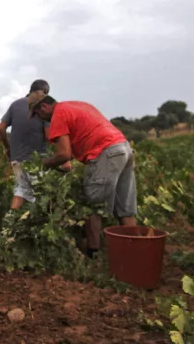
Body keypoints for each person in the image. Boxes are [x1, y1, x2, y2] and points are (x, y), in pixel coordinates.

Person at [28, 93, 137, 257]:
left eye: (37, 114)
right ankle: (134, 252)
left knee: (91, 204)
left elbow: (64, 154)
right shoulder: (77, 105)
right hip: (123, 149)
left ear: (44, 106)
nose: (39, 119)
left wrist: (43, 165)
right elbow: (77, 145)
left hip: (105, 153)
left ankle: (93, 253)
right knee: (125, 208)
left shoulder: (58, 114)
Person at [0, 80, 51, 209]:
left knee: (21, 190)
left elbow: (1, 128)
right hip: (36, 160)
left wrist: (8, 149)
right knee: (45, 193)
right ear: (42, 91)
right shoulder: (43, 107)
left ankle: (10, 226)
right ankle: (45, 225)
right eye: (46, 93)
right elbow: (49, 135)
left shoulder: (15, 105)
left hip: (17, 159)